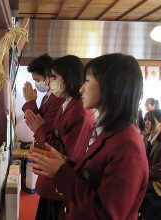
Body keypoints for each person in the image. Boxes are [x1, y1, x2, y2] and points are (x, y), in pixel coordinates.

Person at [28, 53, 148, 220]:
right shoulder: (109, 131)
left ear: (110, 85)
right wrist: (62, 163)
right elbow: (90, 176)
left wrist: (61, 170)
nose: (81, 87)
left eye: (88, 80)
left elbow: (107, 213)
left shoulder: (127, 145)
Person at [25, 55, 94, 220]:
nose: (49, 82)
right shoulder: (68, 102)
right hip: (53, 181)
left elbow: (66, 154)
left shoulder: (79, 110)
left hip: (59, 185)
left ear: (68, 77)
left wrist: (39, 129)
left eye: (54, 77)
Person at [22, 54, 64, 147]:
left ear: (48, 75)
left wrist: (30, 102)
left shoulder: (58, 98)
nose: (37, 84)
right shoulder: (47, 96)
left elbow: (40, 126)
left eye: (37, 80)